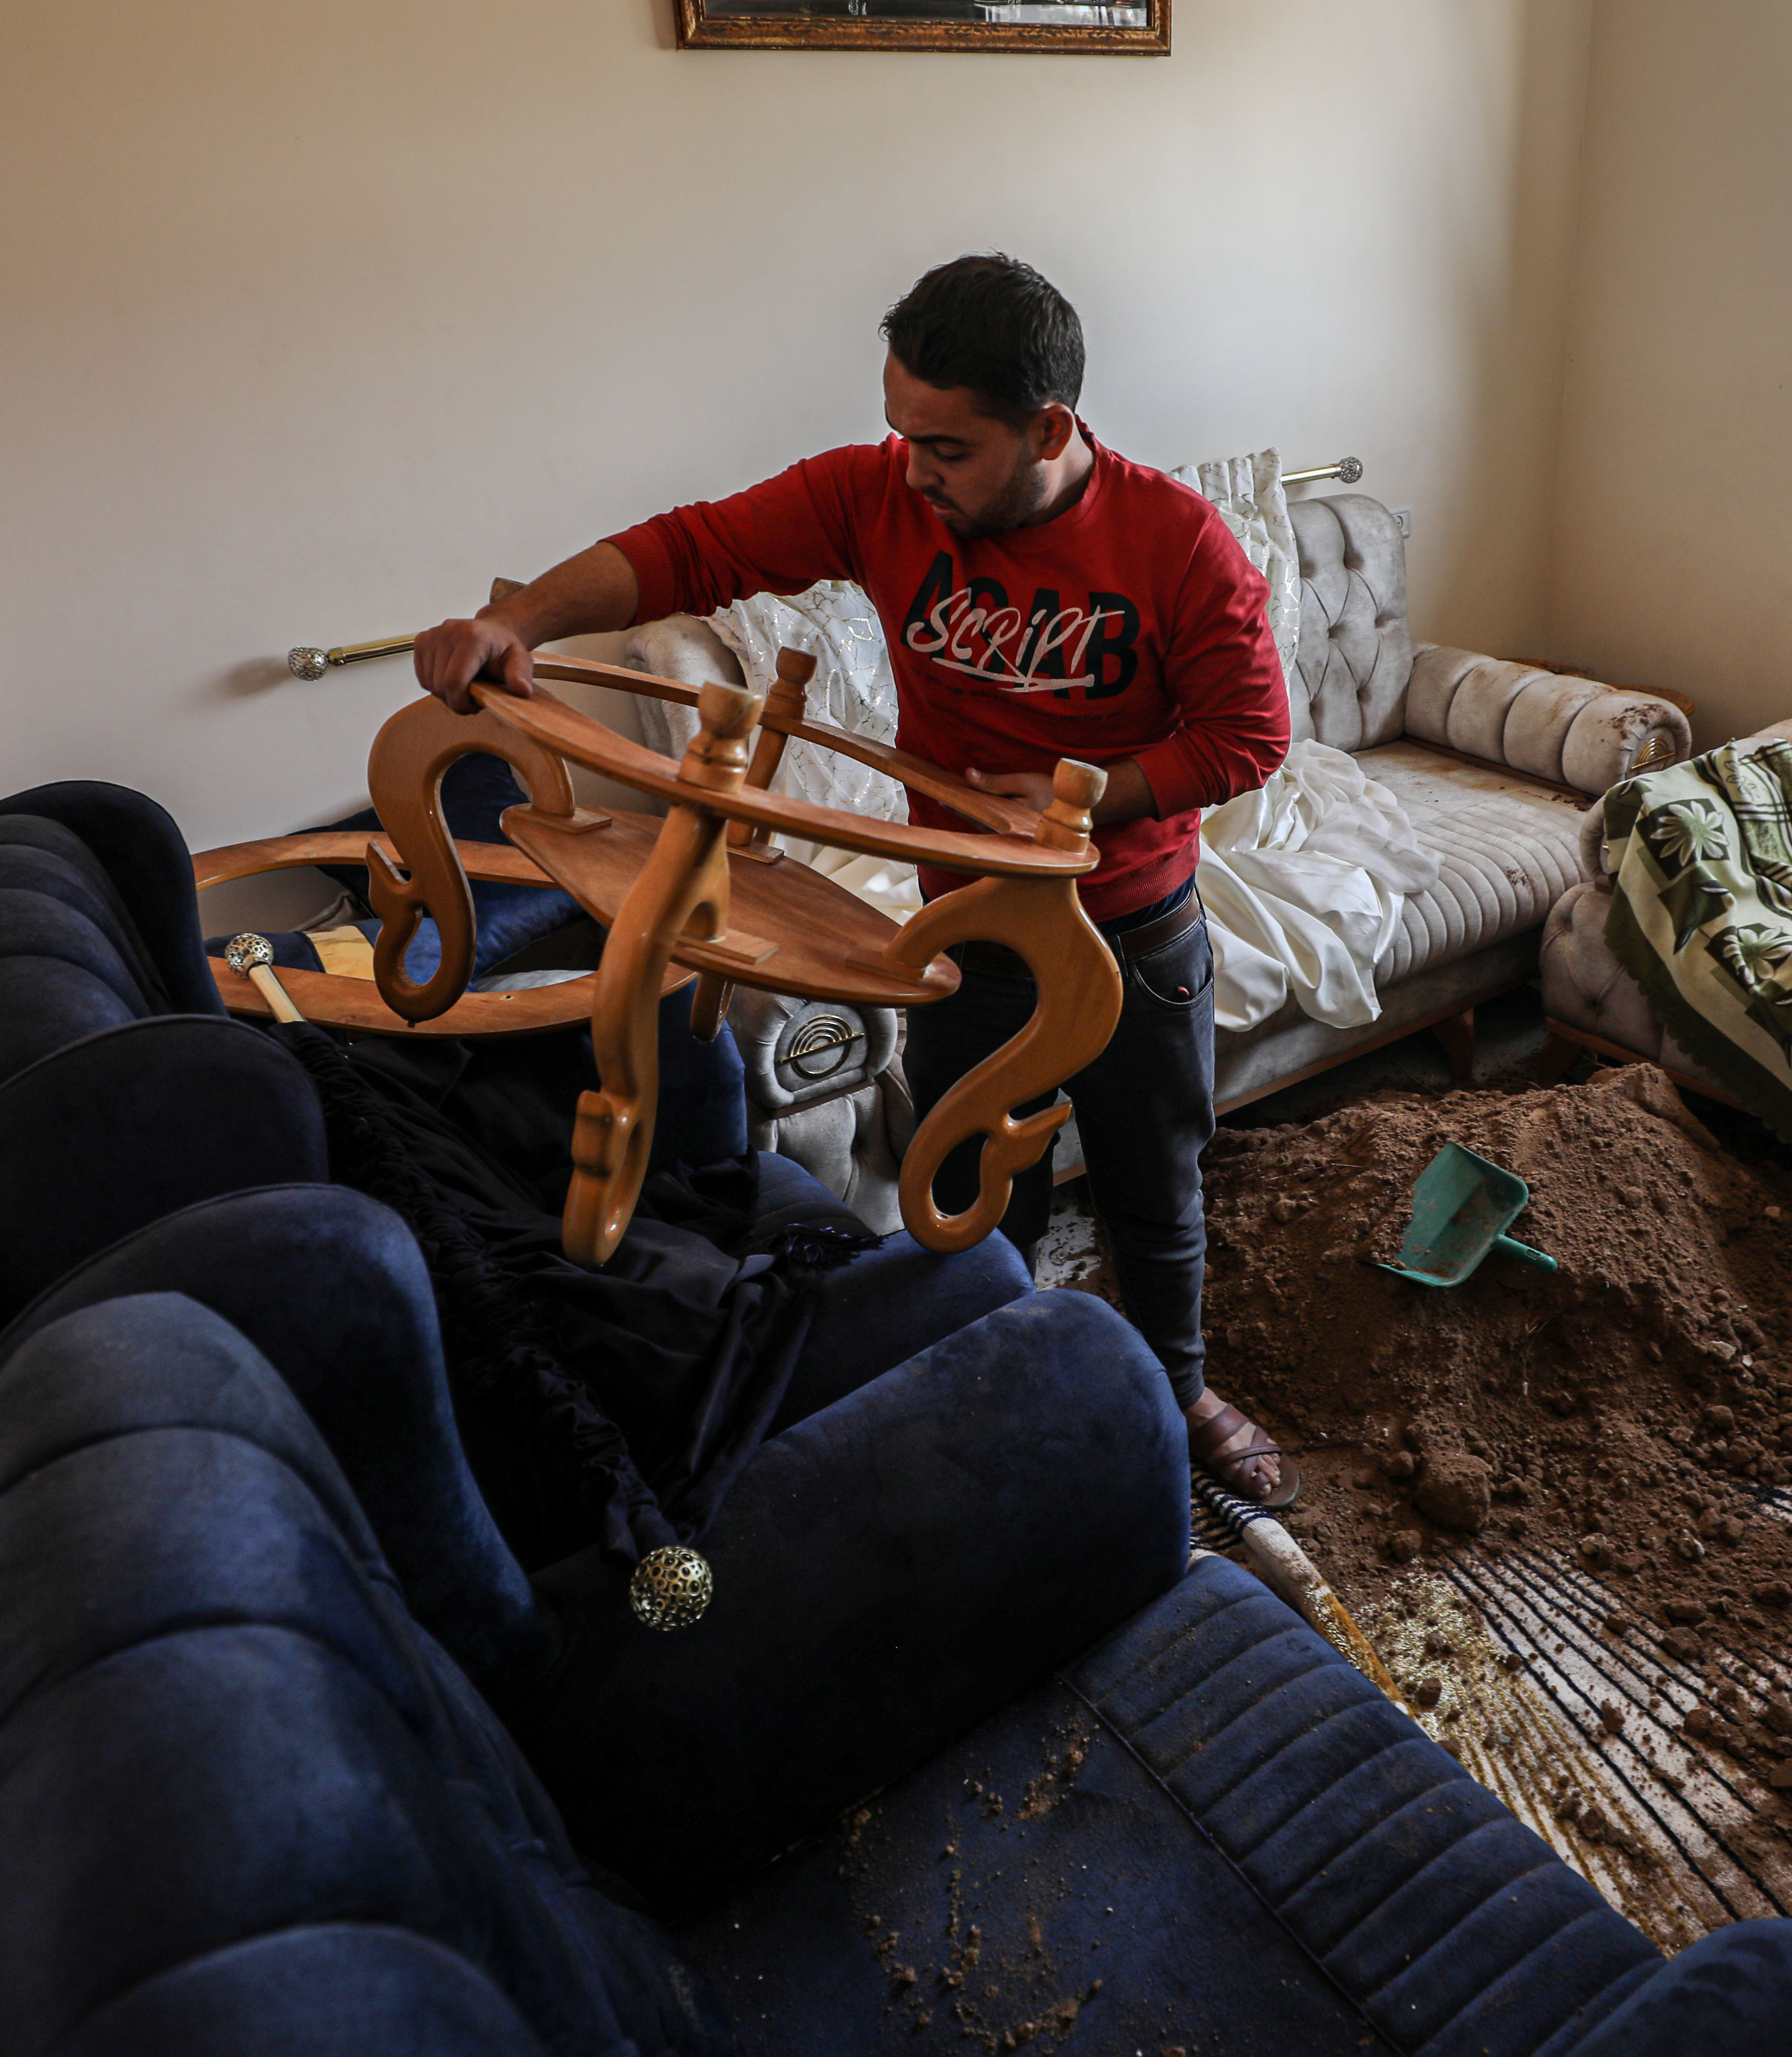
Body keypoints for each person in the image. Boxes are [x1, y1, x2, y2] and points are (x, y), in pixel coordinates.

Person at [411, 254, 1304, 1504]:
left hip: (1129, 934)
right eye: (902, 435)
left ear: (1048, 428)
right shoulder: (882, 494)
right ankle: (995, 1388)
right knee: (967, 1188)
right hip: (966, 929)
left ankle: (1175, 1385)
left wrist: (1078, 793)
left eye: (947, 447)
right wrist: (528, 623)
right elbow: (694, 548)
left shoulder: (1178, 542)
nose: (916, 472)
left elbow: (1246, 736)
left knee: (1156, 1186)